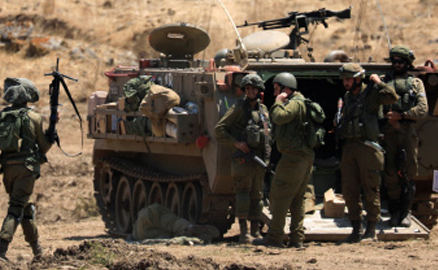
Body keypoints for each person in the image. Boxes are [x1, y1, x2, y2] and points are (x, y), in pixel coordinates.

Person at [0, 77, 53, 261]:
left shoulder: (1, 116)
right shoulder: (35, 118)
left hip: (7, 170)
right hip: (27, 169)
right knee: (16, 208)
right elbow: (43, 147)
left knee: (25, 207)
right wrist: (51, 135)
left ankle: (37, 251)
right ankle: (1, 251)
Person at [336, 63, 399, 243]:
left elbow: (392, 97)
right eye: (344, 80)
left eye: (349, 79)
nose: (346, 83)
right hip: (350, 147)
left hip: (368, 147)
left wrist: (378, 83)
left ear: (358, 79)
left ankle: (371, 229)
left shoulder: (371, 94)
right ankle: (356, 228)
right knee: (349, 189)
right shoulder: (348, 97)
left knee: (370, 188)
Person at [255, 72, 313, 249]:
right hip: (302, 157)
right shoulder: (301, 102)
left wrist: (278, 102)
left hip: (293, 158)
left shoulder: (294, 104)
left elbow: (279, 117)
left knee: (279, 196)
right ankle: (296, 238)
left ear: (285, 89)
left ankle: (274, 237)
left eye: (276, 89)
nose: (274, 93)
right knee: (297, 199)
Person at [214, 72, 270, 244]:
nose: (252, 91)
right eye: (248, 89)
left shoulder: (263, 110)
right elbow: (220, 130)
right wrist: (236, 143)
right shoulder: (238, 108)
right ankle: (244, 231)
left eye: (254, 88)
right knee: (243, 194)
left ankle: (255, 230)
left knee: (257, 196)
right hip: (243, 159)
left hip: (258, 159)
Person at [381, 46, 429, 227]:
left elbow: (423, 109)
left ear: (407, 64)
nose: (396, 65)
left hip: (407, 131)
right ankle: (394, 212)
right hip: (389, 132)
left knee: (409, 173)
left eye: (400, 62)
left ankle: (406, 212)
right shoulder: (386, 82)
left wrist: (402, 116)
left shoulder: (415, 83)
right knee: (390, 173)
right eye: (394, 62)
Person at [132, 203, 220, 243]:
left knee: (172, 230)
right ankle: (188, 227)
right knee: (172, 223)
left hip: (144, 225)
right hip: (152, 210)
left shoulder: (138, 235)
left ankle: (189, 229)